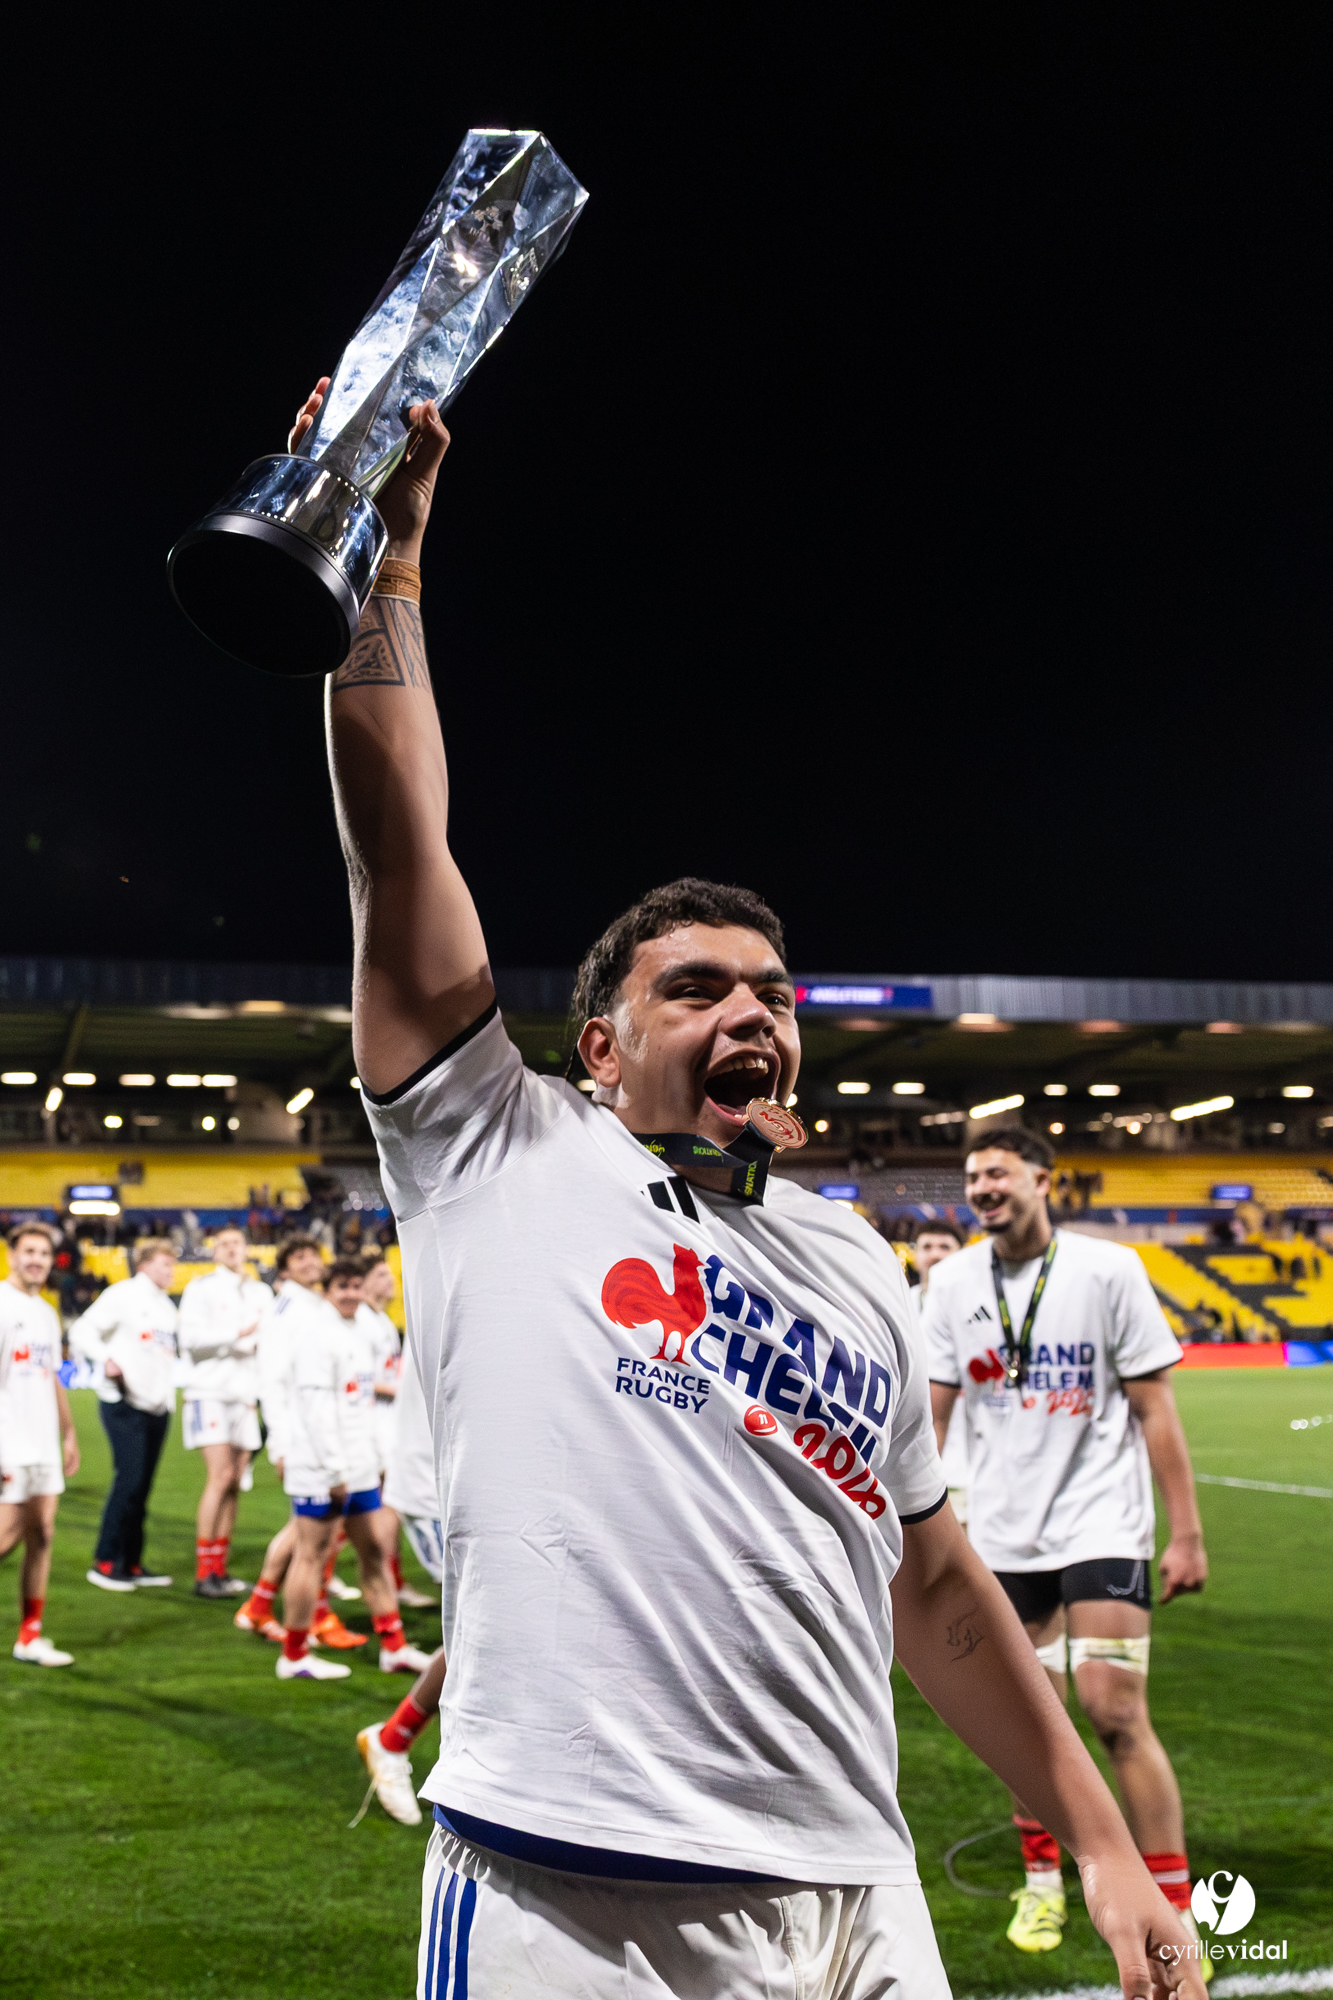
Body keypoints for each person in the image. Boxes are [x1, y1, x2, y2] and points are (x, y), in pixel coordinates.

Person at [300, 372, 1204, 2000]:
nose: (751, 1016)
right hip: (566, 1901)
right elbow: (397, 839)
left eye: (774, 995)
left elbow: (935, 1590)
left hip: (852, 1902)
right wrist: (391, 567)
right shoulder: (494, 1150)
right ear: (595, 1045)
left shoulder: (856, 1264)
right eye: (698, 988)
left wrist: (1098, 1836)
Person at [922, 1127, 1209, 1970]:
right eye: (973, 1176)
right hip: (1002, 1535)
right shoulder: (948, 1283)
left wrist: (1185, 1529)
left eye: (999, 1172)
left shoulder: (1109, 1270)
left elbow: (1155, 1408)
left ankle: (1174, 1912)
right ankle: (1044, 1884)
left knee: (1114, 1711)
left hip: (1100, 1522)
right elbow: (935, 1420)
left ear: (1042, 1178)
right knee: (1030, 1722)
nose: (983, 1187)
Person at [277, 1256, 432, 1683]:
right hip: (322, 1470)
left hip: (359, 1465)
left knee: (375, 1554)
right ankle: (293, 1655)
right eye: (340, 1286)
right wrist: (333, 1469)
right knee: (310, 1557)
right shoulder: (315, 1336)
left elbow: (359, 1403)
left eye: (354, 1285)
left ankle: (394, 1647)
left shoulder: (359, 1333)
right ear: (327, 1291)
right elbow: (315, 1409)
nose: (349, 1293)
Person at [234, 1236, 362, 1649]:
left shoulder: (312, 1306)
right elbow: (273, 1381)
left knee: (306, 1532)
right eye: (299, 1257)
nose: (310, 1263)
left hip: (318, 1432)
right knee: (314, 1536)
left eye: (314, 1255)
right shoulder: (286, 1311)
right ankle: (313, 1619)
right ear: (285, 1269)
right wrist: (282, 1445)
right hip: (305, 1435)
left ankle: (260, 1605)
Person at [358, 1331, 448, 1823]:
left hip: (447, 1480)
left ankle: (394, 1738)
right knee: (486, 1629)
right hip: (439, 1487)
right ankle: (393, 1739)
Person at [71, 1237, 178, 1590]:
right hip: (124, 1403)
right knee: (128, 1481)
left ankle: (131, 1562)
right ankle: (104, 1561)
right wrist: (105, 1359)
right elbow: (83, 1329)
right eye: (164, 1263)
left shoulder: (166, 1307)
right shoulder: (123, 1295)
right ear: (144, 1264)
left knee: (142, 1487)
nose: (171, 1269)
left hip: (156, 1406)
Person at [0, 1223, 80, 1665]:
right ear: (11, 1254)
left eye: (44, 1254)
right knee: (6, 1535)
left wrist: (68, 1433)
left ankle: (30, 1636)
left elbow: (56, 1376)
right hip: (9, 1440)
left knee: (42, 1535)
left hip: (43, 1441)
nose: (37, 1260)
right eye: (29, 1251)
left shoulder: (47, 1313)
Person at [178, 1224, 272, 1598]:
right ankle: (204, 1573)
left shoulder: (260, 1291)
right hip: (211, 1392)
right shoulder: (200, 1288)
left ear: (247, 1249)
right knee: (219, 1478)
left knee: (235, 1482)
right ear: (214, 1251)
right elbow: (190, 1341)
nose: (232, 1249)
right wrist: (238, 1334)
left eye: (237, 1243)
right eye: (224, 1244)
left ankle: (221, 1568)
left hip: (246, 1397)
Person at [359, 1253, 433, 1608]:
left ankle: (392, 1582)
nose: (388, 1281)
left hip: (388, 1422)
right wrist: (403, 1389)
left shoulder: (383, 1322)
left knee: (387, 1507)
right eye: (379, 1275)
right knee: (347, 1517)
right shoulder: (361, 1321)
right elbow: (362, 1380)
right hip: (371, 1425)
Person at [911, 1218, 969, 1523]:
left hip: (971, 1459)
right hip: (914, 1456)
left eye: (945, 1247)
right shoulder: (897, 1304)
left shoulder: (977, 1306)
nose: (935, 1254)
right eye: (927, 1247)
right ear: (915, 1254)